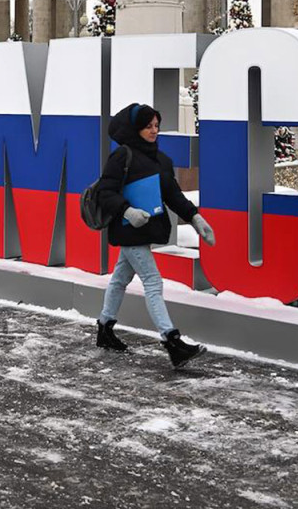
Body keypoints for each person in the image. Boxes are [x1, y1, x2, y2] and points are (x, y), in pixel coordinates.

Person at [93, 102, 217, 368]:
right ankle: (172, 341)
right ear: (135, 128)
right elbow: (106, 192)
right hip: (129, 230)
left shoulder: (161, 160)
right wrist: (127, 212)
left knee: (119, 280)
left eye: (156, 126)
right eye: (148, 126)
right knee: (153, 281)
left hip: (146, 230)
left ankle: (104, 328)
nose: (153, 131)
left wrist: (195, 217)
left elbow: (173, 195)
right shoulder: (122, 156)